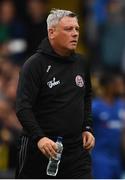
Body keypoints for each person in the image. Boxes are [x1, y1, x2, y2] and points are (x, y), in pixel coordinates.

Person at [15, 9, 95, 179]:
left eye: (77, 29)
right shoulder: (35, 65)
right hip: (41, 150)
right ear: (51, 32)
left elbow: (87, 96)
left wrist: (87, 127)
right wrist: (40, 138)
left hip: (76, 152)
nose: (75, 34)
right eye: (68, 29)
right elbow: (23, 107)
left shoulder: (81, 62)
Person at [92, 73, 124, 178]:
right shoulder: (95, 107)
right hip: (100, 159)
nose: (121, 86)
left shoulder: (121, 106)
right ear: (109, 86)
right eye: (118, 84)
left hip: (117, 159)